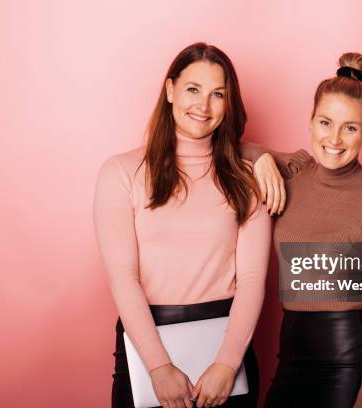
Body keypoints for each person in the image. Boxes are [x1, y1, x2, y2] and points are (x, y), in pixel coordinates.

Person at [93, 42, 271, 408]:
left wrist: (227, 363)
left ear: (228, 103)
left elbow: (253, 280)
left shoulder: (248, 178)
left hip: (226, 348)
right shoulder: (121, 173)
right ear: (170, 90)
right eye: (193, 89)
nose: (203, 106)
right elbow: (123, 276)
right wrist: (158, 367)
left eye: (217, 94)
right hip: (145, 345)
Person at [241, 52, 362, 408]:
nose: (334, 138)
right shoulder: (295, 171)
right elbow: (227, 148)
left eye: (350, 127)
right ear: (311, 121)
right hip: (290, 358)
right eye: (325, 122)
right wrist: (261, 159)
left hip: (349, 364)